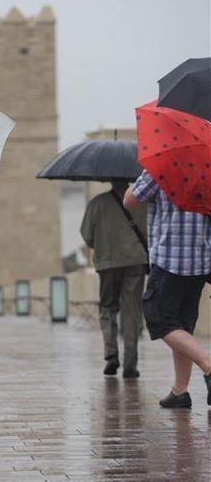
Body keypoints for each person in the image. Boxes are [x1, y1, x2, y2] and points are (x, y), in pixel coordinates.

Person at [124, 170, 211, 408]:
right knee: (182, 325)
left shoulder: (161, 167)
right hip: (200, 261)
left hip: (170, 260)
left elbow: (130, 201)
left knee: (160, 319)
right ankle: (180, 390)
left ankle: (208, 364)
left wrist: (133, 185)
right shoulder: (206, 168)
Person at [80, 181, 148, 378]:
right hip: (135, 261)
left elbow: (87, 237)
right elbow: (150, 232)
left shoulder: (97, 203)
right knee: (131, 311)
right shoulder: (141, 203)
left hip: (108, 262)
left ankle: (111, 355)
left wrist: (103, 242)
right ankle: (130, 364)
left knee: (108, 307)